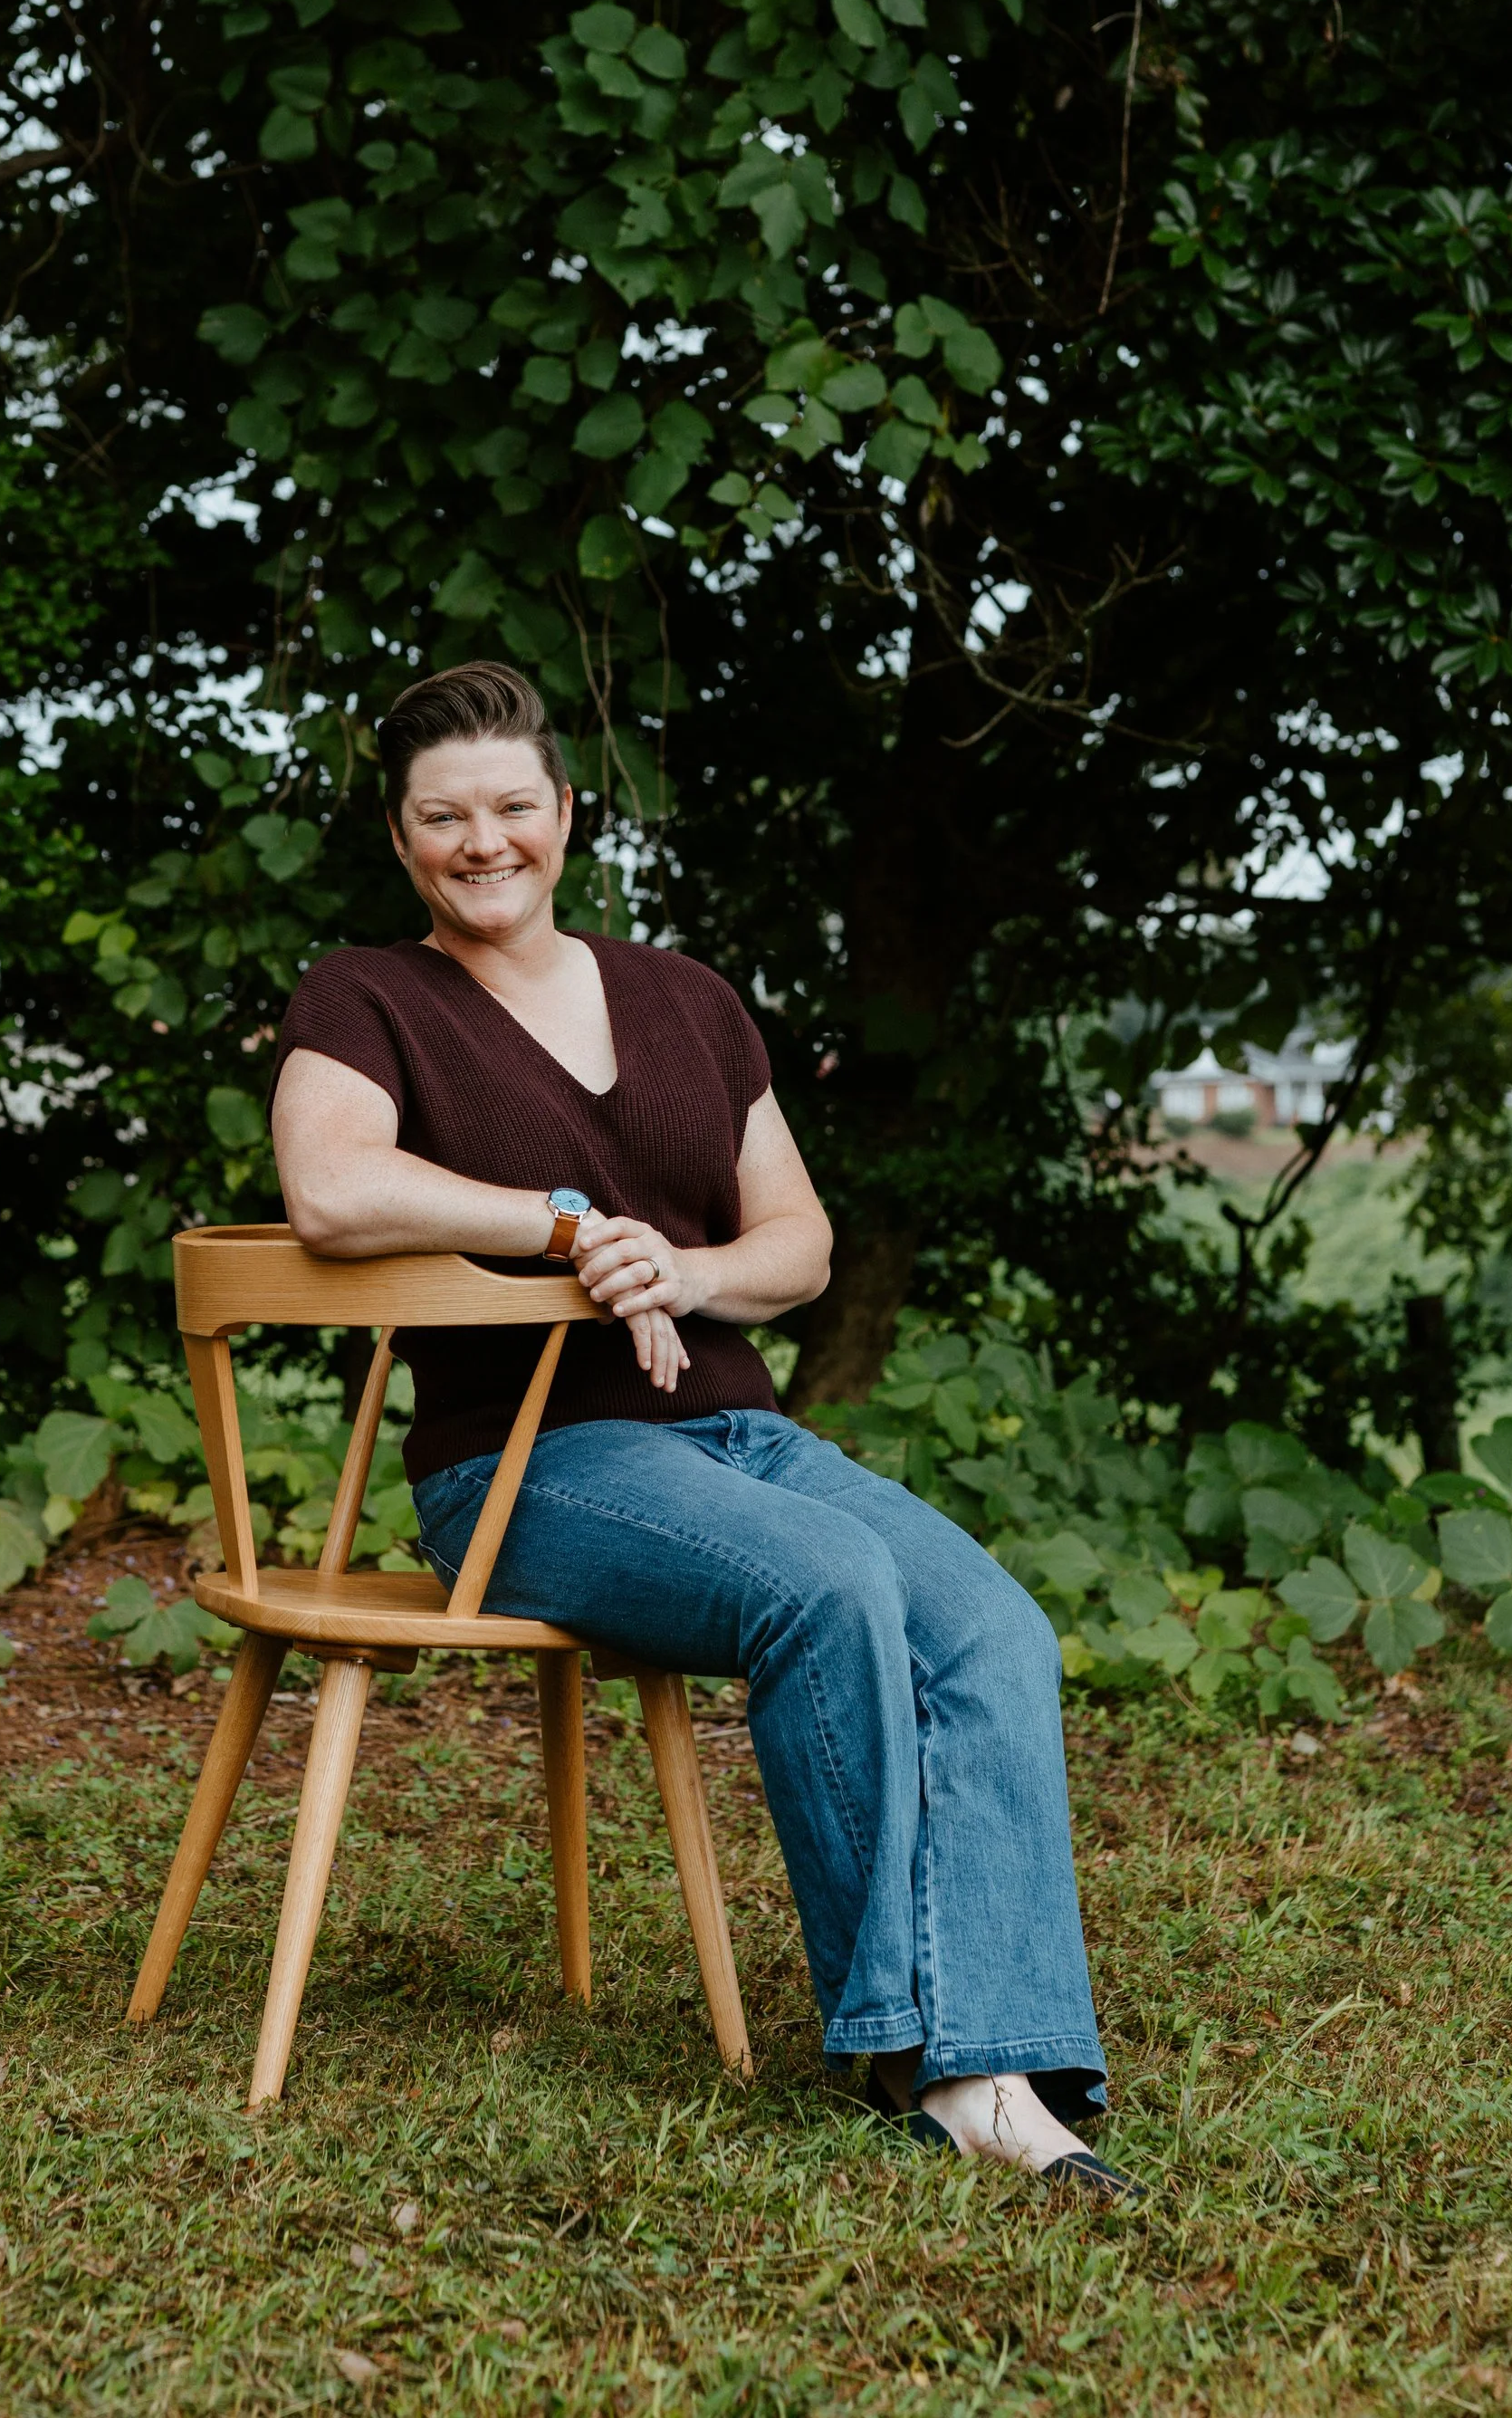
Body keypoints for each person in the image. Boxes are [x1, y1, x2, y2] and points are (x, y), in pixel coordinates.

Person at [270, 659, 1125, 2186]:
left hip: (745, 1438)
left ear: (566, 814)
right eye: (444, 817)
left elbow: (796, 1244)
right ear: (403, 841)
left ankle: (997, 2056)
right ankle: (915, 2057)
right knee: (829, 1586)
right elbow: (331, 1189)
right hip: (527, 1464)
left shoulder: (685, 999)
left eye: (513, 809)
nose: (485, 843)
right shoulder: (369, 996)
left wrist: (686, 1264)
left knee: (994, 1631)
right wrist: (563, 1222)